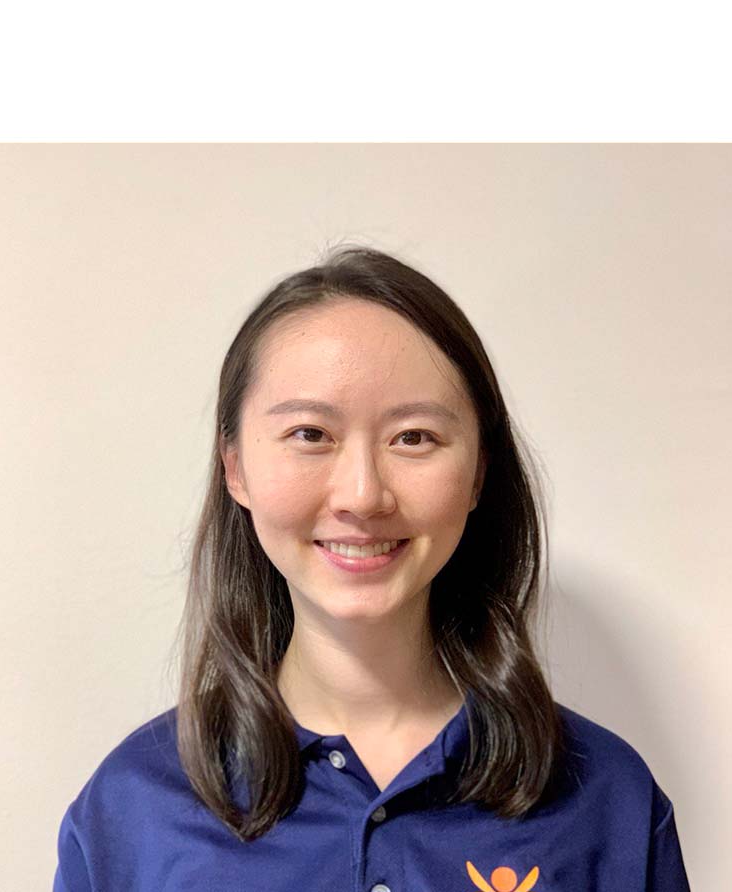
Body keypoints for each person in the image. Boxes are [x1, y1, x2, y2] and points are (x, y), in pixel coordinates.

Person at [53, 245, 691, 891]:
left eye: (413, 437)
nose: (362, 495)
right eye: (310, 434)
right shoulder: (129, 812)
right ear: (235, 467)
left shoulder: (606, 799)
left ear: (479, 472)